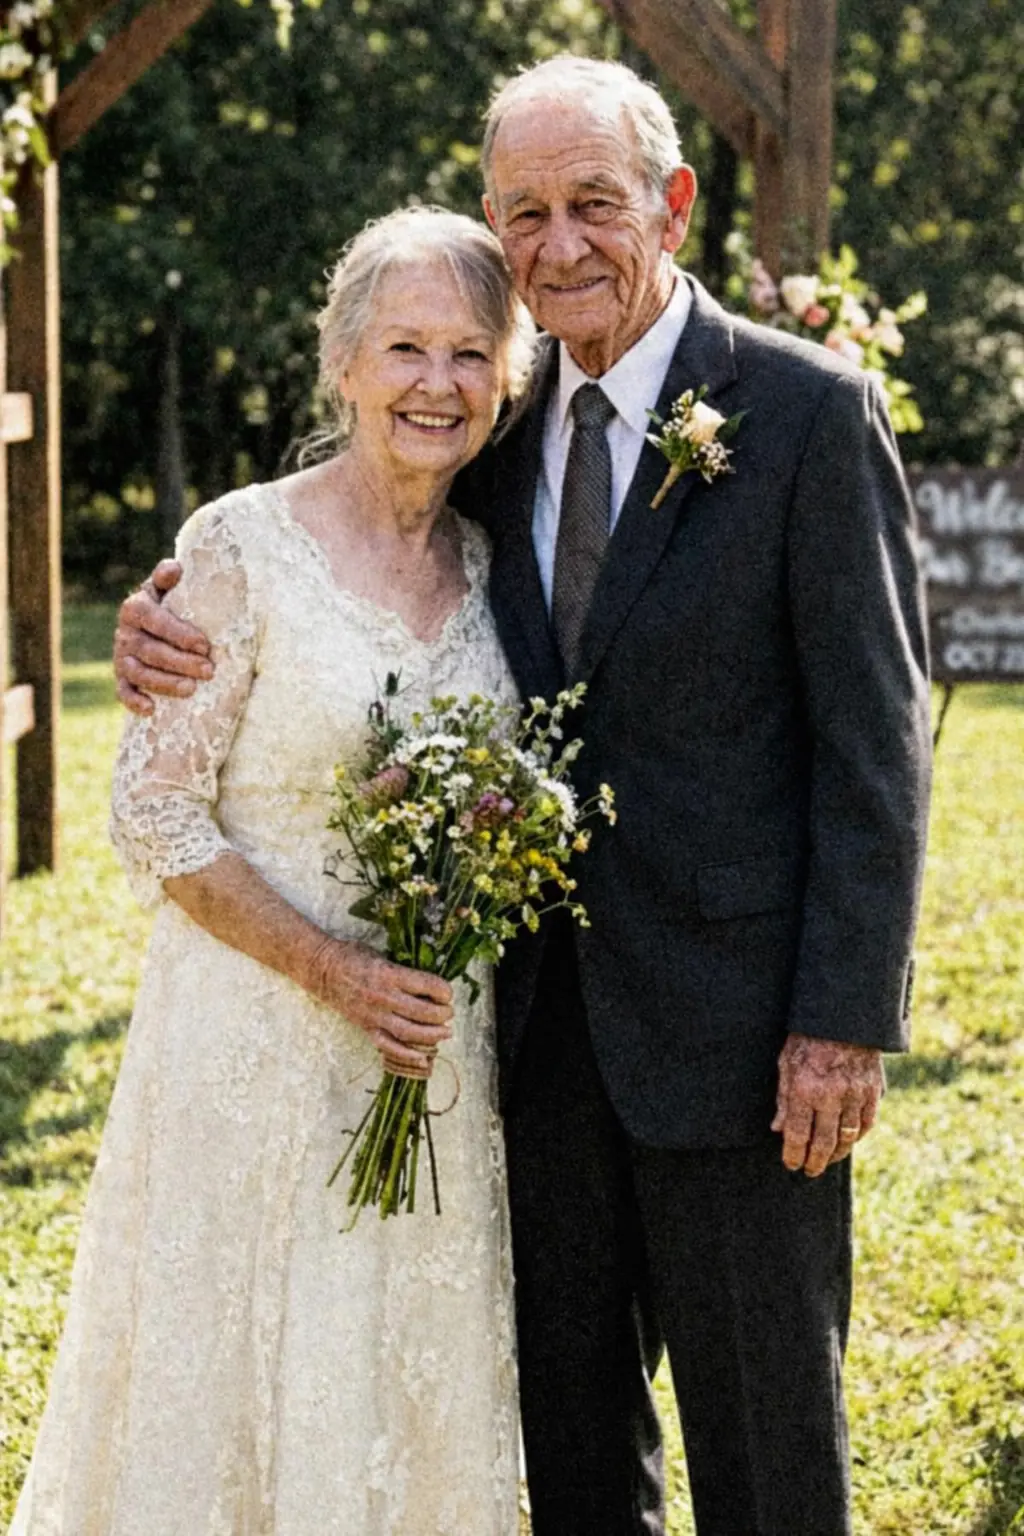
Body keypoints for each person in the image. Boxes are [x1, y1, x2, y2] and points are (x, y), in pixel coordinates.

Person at [114, 58, 932, 1536]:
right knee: (572, 1452)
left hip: (748, 1050)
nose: (559, 245)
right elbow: (340, 549)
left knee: (769, 1458)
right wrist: (164, 617)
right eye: (524, 212)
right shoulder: (492, 433)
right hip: (530, 1047)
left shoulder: (807, 416)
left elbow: (878, 752)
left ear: (674, 207)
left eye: (594, 204)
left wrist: (842, 1022)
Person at [12, 207, 536, 1535]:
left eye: (471, 353)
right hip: (252, 1036)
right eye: (405, 347)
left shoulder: (497, 560)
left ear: (508, 377)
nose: (437, 384)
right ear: (345, 361)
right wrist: (335, 969)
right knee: (230, 1387)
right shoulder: (239, 545)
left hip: (428, 1053)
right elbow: (160, 816)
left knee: (390, 1378)